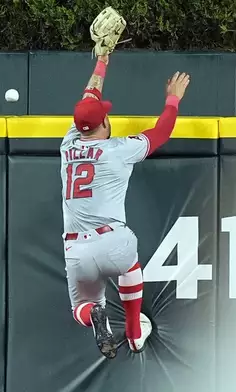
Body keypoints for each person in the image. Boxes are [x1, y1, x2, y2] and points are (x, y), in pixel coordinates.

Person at [59, 52, 191, 359]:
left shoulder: (69, 143)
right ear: (104, 123)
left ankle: (95, 313)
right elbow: (161, 133)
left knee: (81, 307)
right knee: (129, 271)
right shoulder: (117, 150)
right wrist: (173, 100)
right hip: (112, 237)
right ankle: (134, 334)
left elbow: (89, 95)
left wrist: (101, 58)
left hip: (76, 245)